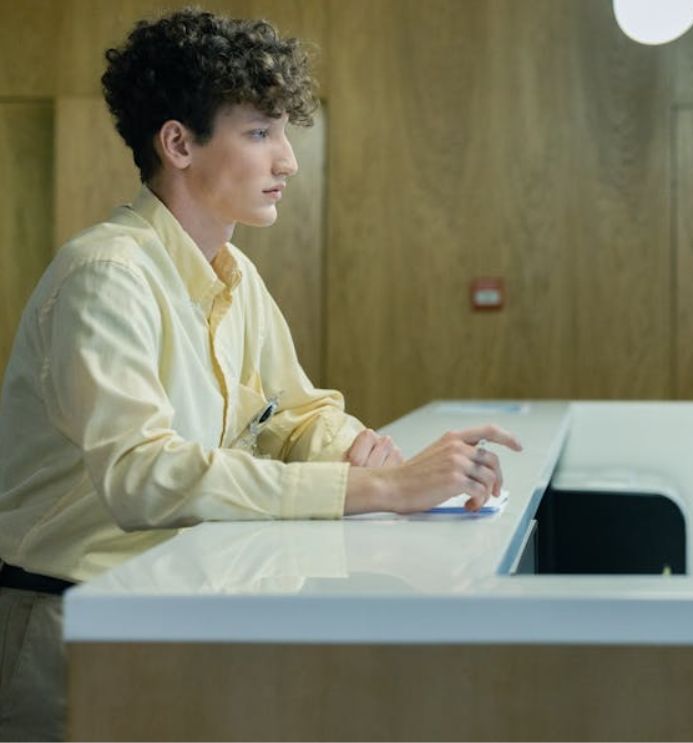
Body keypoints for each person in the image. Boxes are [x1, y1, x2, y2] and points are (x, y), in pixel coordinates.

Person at [0, 9, 520, 740]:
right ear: (178, 143)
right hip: (72, 627)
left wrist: (353, 445)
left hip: (173, 611)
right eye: (258, 133)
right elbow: (142, 475)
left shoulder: (233, 274)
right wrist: (375, 489)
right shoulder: (106, 275)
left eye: (283, 132)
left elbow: (294, 410)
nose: (288, 160)